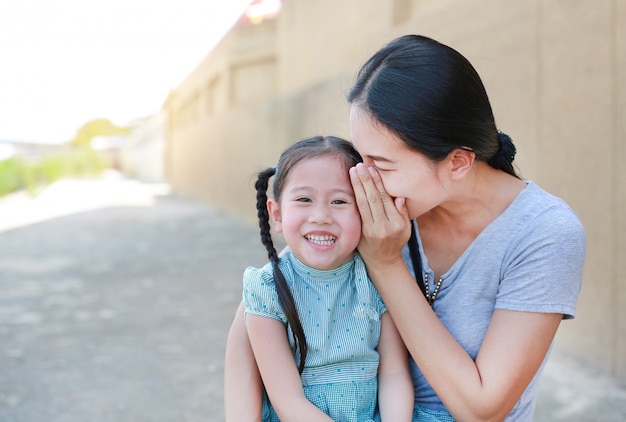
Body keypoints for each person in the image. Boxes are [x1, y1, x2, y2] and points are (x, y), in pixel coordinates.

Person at [224, 35, 586, 421]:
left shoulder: (544, 234)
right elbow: (262, 303)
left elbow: (483, 409)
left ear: (458, 162)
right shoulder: (372, 206)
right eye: (360, 159)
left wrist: (385, 263)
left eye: (380, 164)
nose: (362, 178)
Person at [235, 135, 413, 421]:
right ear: (277, 214)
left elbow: (394, 374)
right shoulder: (267, 289)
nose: (321, 216)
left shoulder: (377, 277)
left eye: (340, 201)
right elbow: (288, 400)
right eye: (304, 199)